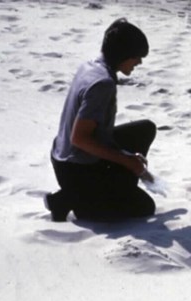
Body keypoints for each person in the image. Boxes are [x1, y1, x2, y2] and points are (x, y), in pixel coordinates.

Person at [44, 18, 156, 222]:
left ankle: (112, 185)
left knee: (145, 129)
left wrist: (125, 155)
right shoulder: (102, 83)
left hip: (62, 154)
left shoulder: (90, 66)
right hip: (76, 168)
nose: (139, 62)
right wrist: (127, 160)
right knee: (145, 207)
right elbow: (80, 139)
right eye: (136, 57)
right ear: (123, 55)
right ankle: (71, 199)